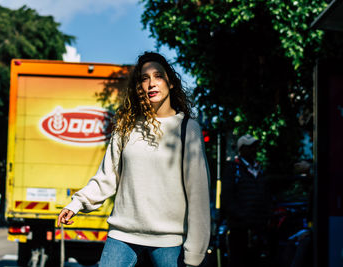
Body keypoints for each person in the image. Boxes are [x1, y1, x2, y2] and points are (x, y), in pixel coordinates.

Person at [57, 52, 211, 267]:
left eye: (158, 76)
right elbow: (107, 176)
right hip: (123, 236)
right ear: (138, 87)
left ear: (171, 83)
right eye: (144, 78)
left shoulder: (187, 129)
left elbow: (198, 194)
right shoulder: (126, 126)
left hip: (169, 240)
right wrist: (76, 203)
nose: (151, 84)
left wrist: (195, 252)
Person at [221, 134, 271, 267]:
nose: (253, 150)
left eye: (255, 147)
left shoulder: (258, 169)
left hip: (258, 229)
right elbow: (227, 198)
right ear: (241, 149)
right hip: (239, 229)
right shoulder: (233, 169)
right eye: (249, 147)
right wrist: (242, 216)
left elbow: (266, 196)